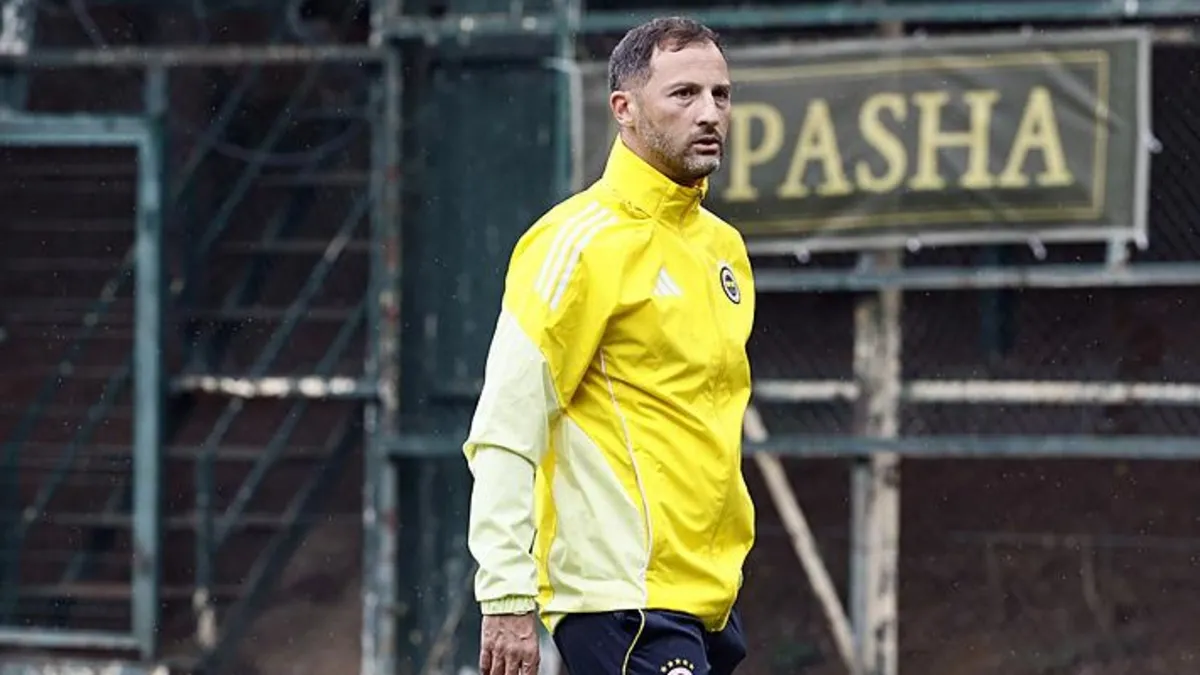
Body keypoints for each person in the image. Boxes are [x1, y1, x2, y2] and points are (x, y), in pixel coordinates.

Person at [462, 15, 756, 675]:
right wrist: (505, 593)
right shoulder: (577, 242)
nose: (709, 113)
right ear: (624, 109)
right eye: (683, 94)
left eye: (721, 94)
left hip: (708, 600)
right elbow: (506, 427)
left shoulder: (723, 249)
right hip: (621, 599)